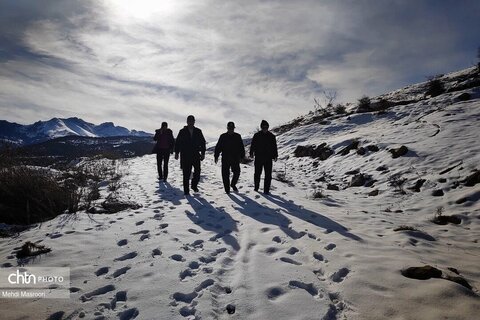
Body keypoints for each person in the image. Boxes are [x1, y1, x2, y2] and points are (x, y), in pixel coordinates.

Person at [174, 115, 206, 196]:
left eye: (192, 121)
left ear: (194, 122)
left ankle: (194, 185)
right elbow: (177, 143)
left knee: (198, 172)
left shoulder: (198, 131)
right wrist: (177, 153)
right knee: (186, 173)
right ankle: (186, 191)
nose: (191, 122)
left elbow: (203, 142)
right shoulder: (182, 131)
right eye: (189, 121)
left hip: (195, 154)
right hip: (185, 155)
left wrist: (203, 153)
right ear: (187, 122)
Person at [214, 121, 245, 194]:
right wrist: (216, 156)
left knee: (237, 173)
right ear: (227, 128)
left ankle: (233, 184)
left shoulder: (238, 136)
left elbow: (241, 147)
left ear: (234, 128)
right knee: (225, 174)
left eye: (232, 128)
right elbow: (218, 147)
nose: (231, 129)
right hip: (225, 158)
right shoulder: (223, 136)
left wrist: (242, 156)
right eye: (229, 128)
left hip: (235, 158)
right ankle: (227, 189)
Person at [249, 120, 278, 195]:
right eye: (263, 127)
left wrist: (275, 155)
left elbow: (274, 147)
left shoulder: (271, 136)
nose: (265, 128)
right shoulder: (257, 135)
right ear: (261, 127)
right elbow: (253, 145)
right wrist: (251, 152)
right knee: (257, 173)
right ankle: (256, 187)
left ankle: (266, 190)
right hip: (259, 157)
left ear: (268, 127)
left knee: (268, 175)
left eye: (266, 127)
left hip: (268, 158)